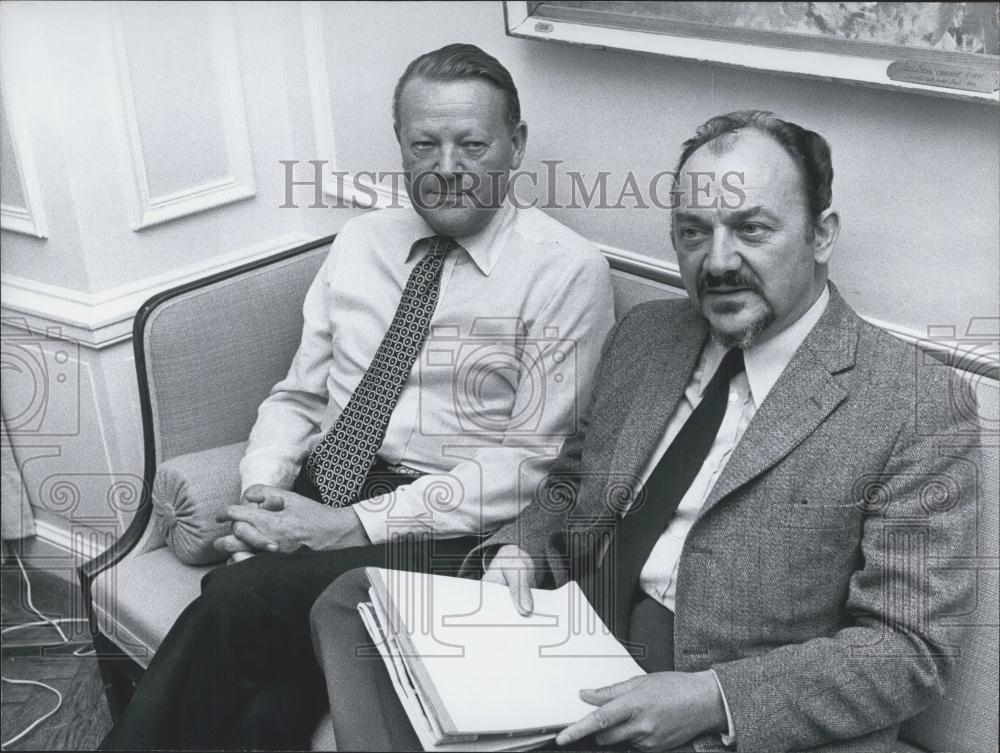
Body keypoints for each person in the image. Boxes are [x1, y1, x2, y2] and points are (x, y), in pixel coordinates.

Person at [314, 111, 979, 752]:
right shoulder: (647, 337)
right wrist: (520, 548)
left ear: (822, 233)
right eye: (693, 233)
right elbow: (573, 480)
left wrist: (712, 698)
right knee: (351, 605)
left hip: (709, 697)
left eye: (752, 230)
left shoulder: (914, 403)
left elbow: (908, 647)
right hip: (571, 637)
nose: (717, 262)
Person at [100, 43, 614, 751]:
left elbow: (532, 462)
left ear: (516, 145)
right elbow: (298, 393)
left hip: (448, 527)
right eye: (424, 143)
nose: (447, 167)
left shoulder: (567, 272)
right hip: (325, 483)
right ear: (400, 146)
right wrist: (261, 496)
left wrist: (351, 527)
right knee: (269, 709)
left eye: (472, 143)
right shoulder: (361, 242)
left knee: (232, 599)